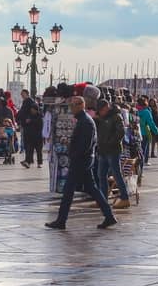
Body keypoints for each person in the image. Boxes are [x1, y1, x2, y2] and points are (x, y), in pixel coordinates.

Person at [45, 95, 117, 231]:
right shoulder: (83, 120)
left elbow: (85, 145)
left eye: (73, 105)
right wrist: (70, 143)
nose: (71, 108)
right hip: (84, 160)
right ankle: (109, 216)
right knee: (92, 189)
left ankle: (61, 220)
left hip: (81, 161)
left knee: (68, 191)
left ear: (80, 105)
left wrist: (73, 154)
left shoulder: (86, 122)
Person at [93, 99, 132, 210]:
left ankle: (125, 198)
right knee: (101, 175)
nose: (100, 112)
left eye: (102, 110)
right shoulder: (100, 118)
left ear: (106, 107)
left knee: (116, 174)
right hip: (102, 150)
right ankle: (102, 199)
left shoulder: (116, 116)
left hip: (113, 150)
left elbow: (121, 132)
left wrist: (110, 142)